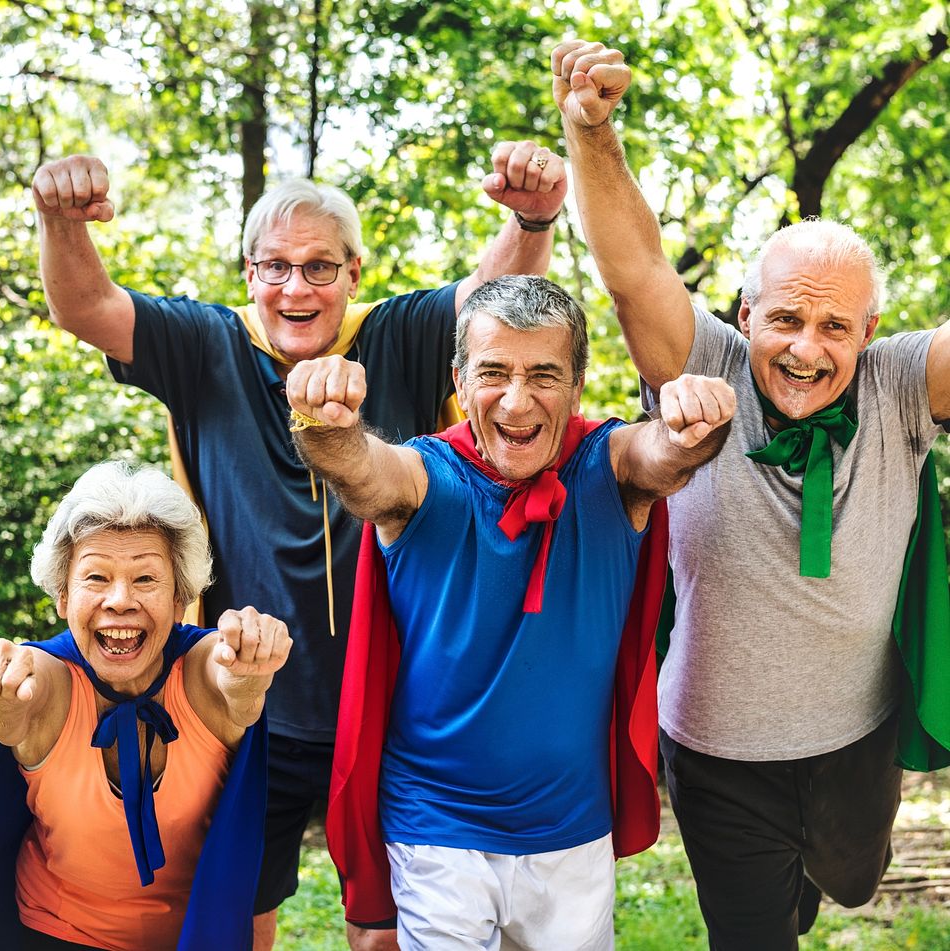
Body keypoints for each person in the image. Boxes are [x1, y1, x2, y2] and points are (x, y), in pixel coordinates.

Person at [31, 143, 567, 949]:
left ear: (354, 272)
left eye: (320, 268)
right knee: (236, 916)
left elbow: (494, 299)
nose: (296, 286)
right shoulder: (207, 343)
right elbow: (87, 307)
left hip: (394, 698)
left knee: (387, 925)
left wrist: (532, 216)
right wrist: (61, 220)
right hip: (247, 697)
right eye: (276, 266)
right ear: (249, 273)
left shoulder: (395, 333)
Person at [552, 39, 950, 950]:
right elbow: (634, 268)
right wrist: (592, 131)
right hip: (716, 745)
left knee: (850, 881)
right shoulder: (704, 365)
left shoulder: (895, 386)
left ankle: (809, 877)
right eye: (784, 317)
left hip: (857, 734)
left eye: (833, 326)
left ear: (871, 331)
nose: (806, 347)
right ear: (744, 314)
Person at [286, 274, 736, 949]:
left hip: (570, 834)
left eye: (544, 375)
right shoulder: (425, 473)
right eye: (494, 371)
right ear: (461, 383)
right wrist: (326, 425)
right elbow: (359, 469)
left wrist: (693, 426)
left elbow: (662, 456)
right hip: (436, 830)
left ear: (578, 386)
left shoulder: (605, 464)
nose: (518, 400)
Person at [0, 460, 292, 951]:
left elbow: (234, 687)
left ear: (180, 599)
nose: (119, 600)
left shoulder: (205, 669)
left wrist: (251, 662)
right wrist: (3, 695)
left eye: (146, 579)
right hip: (49, 931)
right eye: (96, 577)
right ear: (63, 596)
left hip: (186, 938)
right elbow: (18, 711)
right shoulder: (45, 675)